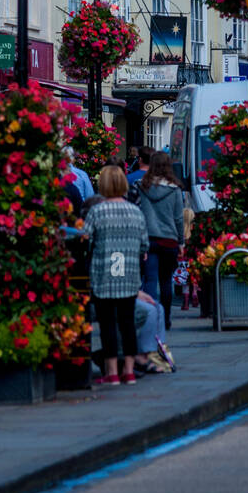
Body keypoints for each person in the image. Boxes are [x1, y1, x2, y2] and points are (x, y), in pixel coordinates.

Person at [82, 164, 149, 385]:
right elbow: (144, 245)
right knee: (127, 322)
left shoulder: (97, 211)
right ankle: (129, 370)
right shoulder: (135, 211)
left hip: (104, 277)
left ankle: (111, 372)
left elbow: (86, 241)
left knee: (107, 324)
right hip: (129, 276)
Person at [136, 150, 185, 331]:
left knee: (149, 280)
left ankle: (149, 318)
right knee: (166, 281)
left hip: (148, 239)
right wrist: (181, 242)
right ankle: (166, 319)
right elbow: (179, 218)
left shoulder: (141, 186)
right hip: (169, 240)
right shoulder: (175, 189)